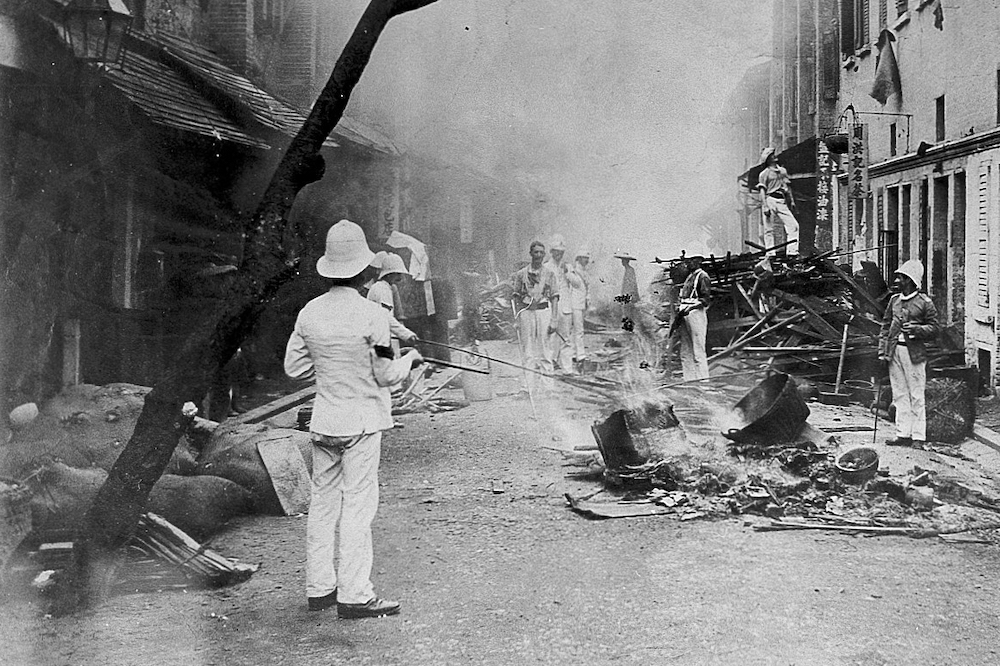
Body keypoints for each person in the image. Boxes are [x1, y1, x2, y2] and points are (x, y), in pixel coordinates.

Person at [284, 220, 423, 619]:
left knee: (323, 504)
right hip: (361, 423)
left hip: (325, 420)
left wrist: (331, 372)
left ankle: (320, 588)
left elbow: (294, 367)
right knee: (358, 508)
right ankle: (355, 594)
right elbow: (386, 374)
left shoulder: (310, 312)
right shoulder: (371, 315)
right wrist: (410, 359)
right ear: (364, 270)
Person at [878, 259, 939, 447]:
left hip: (914, 354)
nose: (898, 281)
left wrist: (918, 329)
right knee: (899, 394)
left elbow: (935, 328)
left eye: (902, 277)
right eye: (898, 277)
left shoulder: (924, 303)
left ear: (912, 281)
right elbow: (885, 326)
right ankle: (903, 433)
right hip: (894, 352)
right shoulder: (894, 301)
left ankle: (918, 436)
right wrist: (882, 351)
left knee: (916, 395)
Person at [511, 240, 559, 390]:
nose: (538, 255)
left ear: (544, 255)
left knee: (545, 350)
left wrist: (554, 320)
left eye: (541, 252)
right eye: (535, 252)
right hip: (526, 313)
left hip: (544, 312)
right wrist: (517, 319)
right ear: (530, 253)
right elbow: (516, 298)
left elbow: (555, 297)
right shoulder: (521, 274)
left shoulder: (550, 274)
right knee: (528, 351)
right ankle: (527, 387)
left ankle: (548, 387)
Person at [367, 253, 417, 349]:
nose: (400, 277)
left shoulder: (384, 287)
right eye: (397, 274)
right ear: (389, 274)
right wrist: (406, 334)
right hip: (381, 339)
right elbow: (386, 318)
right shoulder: (382, 289)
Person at [757, 147, 800, 257]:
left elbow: (787, 187)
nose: (774, 156)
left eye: (773, 154)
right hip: (770, 200)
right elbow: (762, 190)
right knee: (768, 229)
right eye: (771, 155)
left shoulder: (782, 171)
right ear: (767, 159)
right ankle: (770, 253)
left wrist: (792, 201)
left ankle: (792, 251)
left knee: (793, 225)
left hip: (781, 200)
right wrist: (765, 206)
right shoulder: (764, 174)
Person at [677, 255, 712, 380]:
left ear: (699, 262)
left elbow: (705, 300)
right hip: (684, 311)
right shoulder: (689, 277)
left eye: (692, 261)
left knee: (698, 349)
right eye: (688, 261)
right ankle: (690, 380)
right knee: (685, 350)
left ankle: (703, 380)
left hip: (695, 312)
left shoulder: (703, 277)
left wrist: (690, 308)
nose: (689, 263)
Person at [545, 234, 573, 371]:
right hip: (551, 307)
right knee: (550, 337)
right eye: (556, 251)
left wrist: (568, 273)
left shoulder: (567, 267)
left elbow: (577, 284)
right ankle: (549, 367)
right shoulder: (545, 268)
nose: (559, 254)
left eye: (561, 252)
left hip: (566, 307)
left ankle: (568, 369)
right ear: (551, 252)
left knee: (566, 339)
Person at [565, 248, 591, 370]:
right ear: (578, 259)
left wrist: (588, 299)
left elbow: (586, 288)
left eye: (587, 258)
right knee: (577, 330)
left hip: (581, 304)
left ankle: (574, 354)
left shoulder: (584, 271)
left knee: (577, 330)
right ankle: (579, 355)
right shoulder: (573, 271)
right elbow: (576, 284)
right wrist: (570, 271)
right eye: (583, 258)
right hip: (574, 304)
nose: (586, 260)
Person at [614, 251, 640, 331]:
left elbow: (632, 283)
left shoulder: (630, 270)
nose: (622, 262)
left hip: (628, 294)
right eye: (622, 260)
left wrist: (632, 294)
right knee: (626, 311)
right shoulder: (627, 270)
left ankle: (629, 328)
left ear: (627, 261)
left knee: (628, 311)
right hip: (626, 294)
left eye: (624, 260)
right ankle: (627, 327)